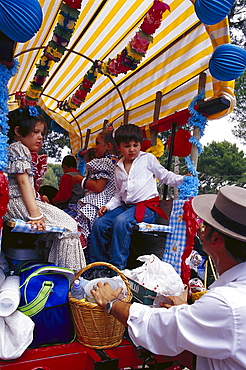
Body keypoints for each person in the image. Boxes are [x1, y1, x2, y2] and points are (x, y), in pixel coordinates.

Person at [90, 185, 246, 370]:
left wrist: (112, 302)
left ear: (216, 239)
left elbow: (157, 327)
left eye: (204, 226)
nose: (199, 231)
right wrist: (187, 313)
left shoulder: (226, 304)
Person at [89, 124, 186, 274]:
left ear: (140, 144)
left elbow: (166, 176)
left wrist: (184, 180)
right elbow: (118, 195)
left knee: (121, 222)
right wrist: (107, 207)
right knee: (99, 223)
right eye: (127, 146)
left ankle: (117, 269)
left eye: (136, 145)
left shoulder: (148, 159)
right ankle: (98, 267)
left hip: (147, 208)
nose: (132, 149)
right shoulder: (118, 167)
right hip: (127, 207)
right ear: (119, 147)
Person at [4, 107, 86, 272]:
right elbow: (23, 182)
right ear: (18, 131)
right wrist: (36, 214)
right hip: (18, 204)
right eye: (36, 132)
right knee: (69, 225)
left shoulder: (19, 149)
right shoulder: (17, 148)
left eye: (42, 133)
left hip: (20, 203)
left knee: (66, 225)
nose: (40, 137)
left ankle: (58, 270)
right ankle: (70, 274)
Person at [72, 130, 119, 253]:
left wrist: (81, 180)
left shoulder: (104, 162)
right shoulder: (117, 162)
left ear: (108, 146)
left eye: (98, 143)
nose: (94, 147)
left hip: (100, 200)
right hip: (110, 200)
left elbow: (98, 187)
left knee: (87, 225)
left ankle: (87, 254)